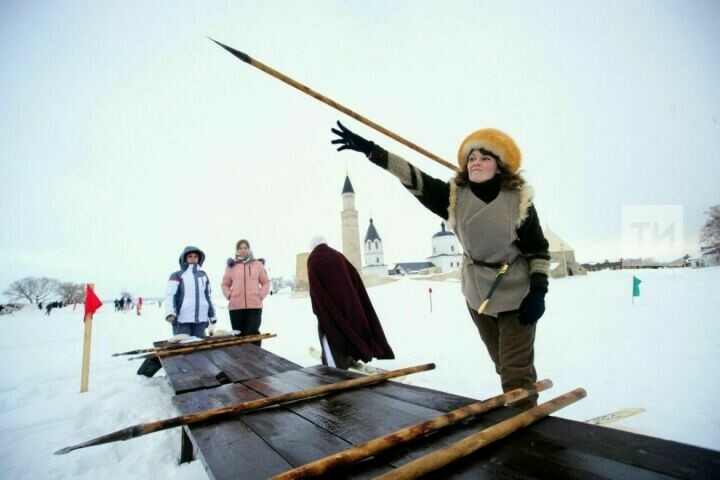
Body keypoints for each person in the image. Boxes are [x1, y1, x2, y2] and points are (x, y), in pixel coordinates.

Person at [331, 121, 550, 409]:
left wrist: (538, 290)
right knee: (503, 362)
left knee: (515, 370)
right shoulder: (454, 198)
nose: (476, 162)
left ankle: (525, 424)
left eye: (485, 158)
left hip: (515, 293)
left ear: (500, 165)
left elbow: (538, 250)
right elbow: (413, 177)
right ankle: (521, 396)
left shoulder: (518, 201)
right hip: (477, 294)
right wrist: (371, 151)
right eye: (472, 158)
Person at [307, 236, 395, 370]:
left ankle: (336, 366)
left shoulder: (312, 260)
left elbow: (315, 289)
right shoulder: (338, 256)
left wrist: (318, 309)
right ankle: (351, 357)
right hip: (347, 303)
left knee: (332, 334)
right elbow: (354, 276)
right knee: (350, 330)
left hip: (329, 307)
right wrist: (354, 298)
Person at [221, 239, 270, 346]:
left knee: (252, 335)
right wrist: (230, 295)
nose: (243, 250)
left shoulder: (257, 264)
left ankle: (255, 360)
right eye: (240, 248)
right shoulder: (231, 266)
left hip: (254, 307)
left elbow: (266, 282)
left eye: (245, 248)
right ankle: (240, 362)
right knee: (238, 336)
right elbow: (225, 284)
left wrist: (260, 295)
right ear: (237, 250)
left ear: (249, 249)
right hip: (236, 308)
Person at [164, 246, 217, 338]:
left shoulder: (203, 275)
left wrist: (212, 316)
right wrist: (170, 312)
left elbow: (208, 296)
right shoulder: (177, 275)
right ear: (184, 258)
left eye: (195, 256)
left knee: (199, 347)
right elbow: (171, 295)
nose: (193, 258)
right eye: (190, 256)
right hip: (182, 319)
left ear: (199, 259)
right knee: (183, 346)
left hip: (201, 319)